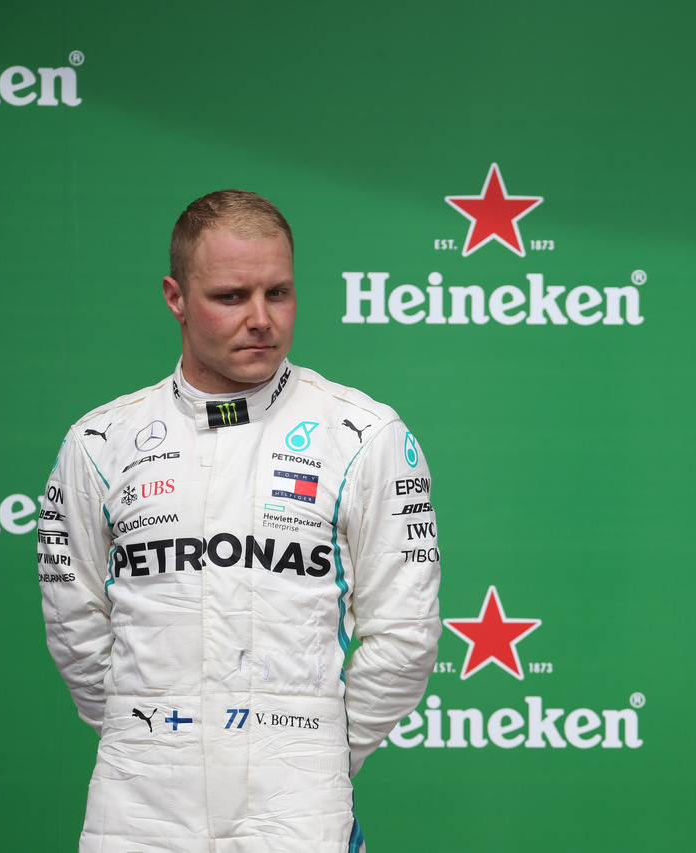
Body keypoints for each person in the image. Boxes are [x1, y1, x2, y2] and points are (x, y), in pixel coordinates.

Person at [37, 190, 442, 852]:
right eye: (230, 296)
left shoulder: (365, 435)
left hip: (297, 803)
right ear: (175, 297)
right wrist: (147, 728)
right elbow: (73, 624)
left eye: (278, 293)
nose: (261, 318)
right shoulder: (100, 441)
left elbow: (406, 633)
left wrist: (312, 751)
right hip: (137, 800)